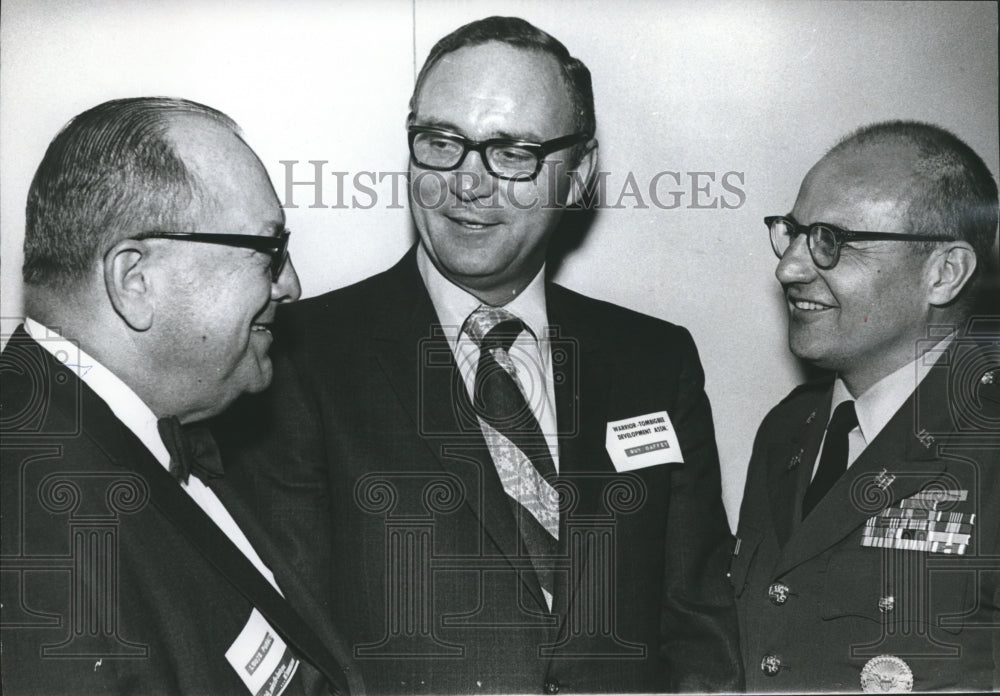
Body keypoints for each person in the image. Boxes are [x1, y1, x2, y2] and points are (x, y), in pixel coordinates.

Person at [219, 16, 741, 694]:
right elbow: (293, 646)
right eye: (441, 142)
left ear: (578, 173)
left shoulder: (653, 362)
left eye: (512, 152)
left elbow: (700, 633)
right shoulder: (296, 360)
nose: (468, 182)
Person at [0, 98, 362, 695]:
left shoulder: (137, 433)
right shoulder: (33, 542)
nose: (291, 284)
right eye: (268, 252)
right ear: (134, 280)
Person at [733, 120, 1000, 692]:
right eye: (794, 231)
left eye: (833, 239)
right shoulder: (789, 426)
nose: (789, 268)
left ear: (944, 273)